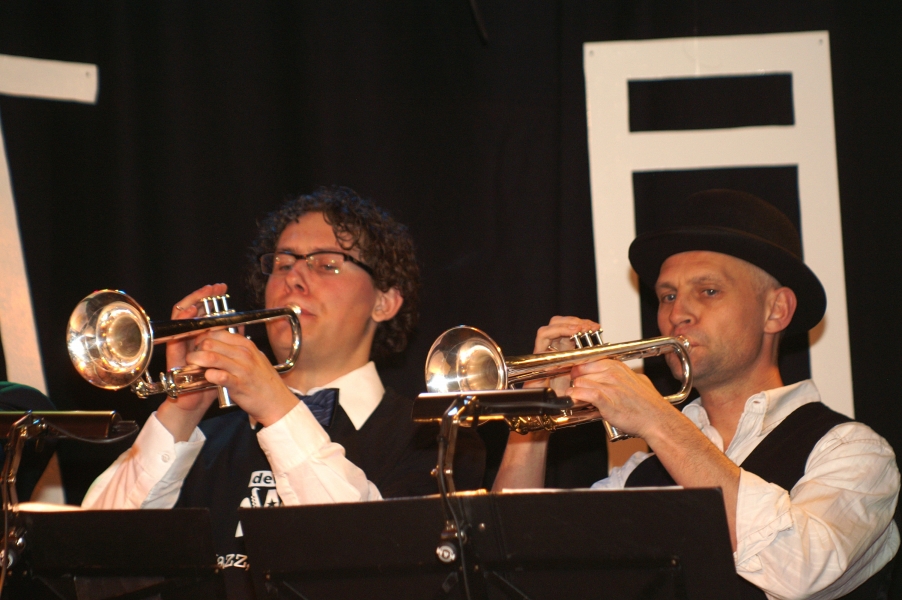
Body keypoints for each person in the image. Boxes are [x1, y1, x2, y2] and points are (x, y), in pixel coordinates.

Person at [493, 189, 899, 599]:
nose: (676, 314)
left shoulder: (854, 453)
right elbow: (512, 566)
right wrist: (534, 415)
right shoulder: (638, 474)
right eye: (667, 296)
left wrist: (657, 419)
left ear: (775, 310)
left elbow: (800, 571)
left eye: (708, 291)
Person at [82, 186, 484, 598]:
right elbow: (91, 563)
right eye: (282, 263)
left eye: (327, 264)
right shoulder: (204, 439)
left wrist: (276, 407)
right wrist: (181, 410)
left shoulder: (435, 436)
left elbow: (375, 566)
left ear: (384, 302)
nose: (294, 277)